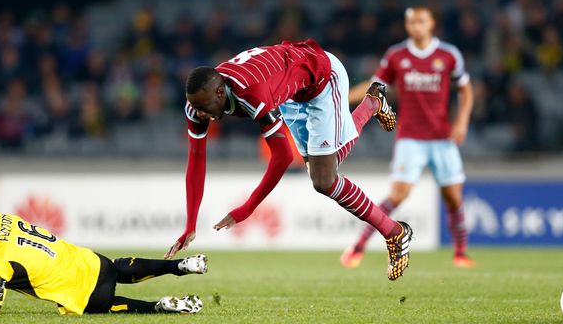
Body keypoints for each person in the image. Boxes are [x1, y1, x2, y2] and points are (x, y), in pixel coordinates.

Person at [164, 38, 413, 281]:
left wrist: (247, 208)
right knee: (321, 170)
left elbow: (282, 157)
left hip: (323, 76)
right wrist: (190, 225)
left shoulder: (251, 93)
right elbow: (196, 160)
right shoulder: (198, 101)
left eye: (203, 106)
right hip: (292, 91)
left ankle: (395, 232)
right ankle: (372, 102)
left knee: (324, 180)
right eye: (195, 106)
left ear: (220, 92)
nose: (199, 113)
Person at [340, 7, 475, 269]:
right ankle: (358, 247)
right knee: (398, 195)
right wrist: (343, 100)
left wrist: (462, 121)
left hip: (441, 138)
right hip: (410, 137)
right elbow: (375, 88)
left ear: (431, 23)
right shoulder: (397, 56)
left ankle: (460, 253)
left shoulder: (448, 55)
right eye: (411, 22)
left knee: (453, 197)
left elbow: (466, 89)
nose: (416, 26)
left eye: (421, 21)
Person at [0, 207, 206, 316]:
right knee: (116, 268)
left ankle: (160, 306)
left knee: (107, 305)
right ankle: (178, 265)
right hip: (88, 260)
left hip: (80, 292)